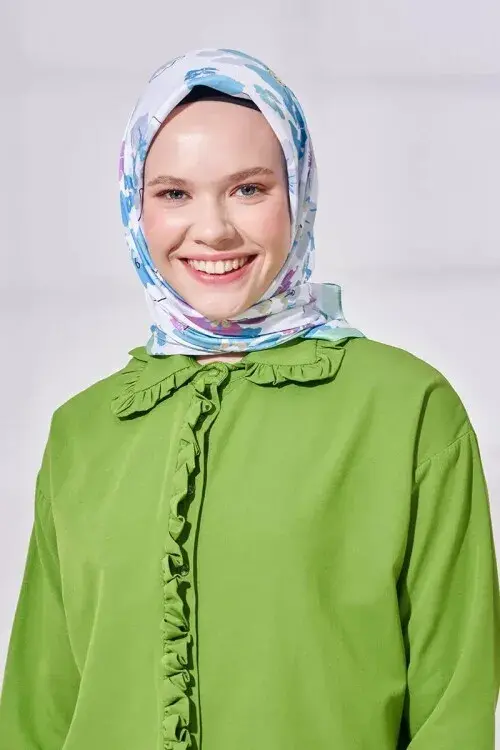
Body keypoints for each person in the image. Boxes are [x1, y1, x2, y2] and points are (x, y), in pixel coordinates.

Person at [0, 47, 498, 750]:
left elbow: (455, 711)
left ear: (298, 194)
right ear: (135, 207)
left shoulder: (407, 410)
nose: (213, 230)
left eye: (248, 189)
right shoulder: (82, 431)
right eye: (174, 194)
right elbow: (35, 716)